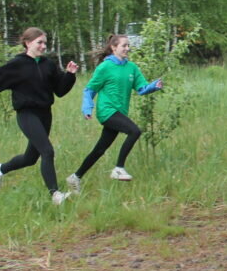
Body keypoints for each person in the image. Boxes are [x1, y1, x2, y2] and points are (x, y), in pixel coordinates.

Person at [0, 27, 78, 205]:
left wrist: (70, 76)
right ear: (28, 43)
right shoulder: (17, 65)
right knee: (47, 151)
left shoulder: (47, 64)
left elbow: (60, 91)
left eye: (45, 43)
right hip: (27, 114)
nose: (43, 46)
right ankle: (55, 194)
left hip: (45, 114)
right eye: (39, 42)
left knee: (30, 158)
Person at [66, 34, 162, 190]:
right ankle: (118, 168)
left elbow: (141, 88)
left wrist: (154, 86)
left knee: (100, 149)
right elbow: (90, 89)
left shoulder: (132, 68)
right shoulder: (105, 67)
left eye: (128, 45)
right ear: (113, 47)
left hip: (120, 112)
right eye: (124, 45)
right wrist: (87, 107)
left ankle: (75, 177)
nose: (127, 48)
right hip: (107, 111)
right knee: (134, 131)